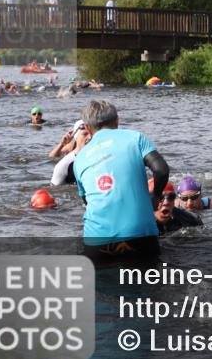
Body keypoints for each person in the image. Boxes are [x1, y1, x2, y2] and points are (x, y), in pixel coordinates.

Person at [72, 100, 170, 260]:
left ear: (88, 128)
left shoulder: (79, 158)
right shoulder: (135, 138)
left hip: (97, 241)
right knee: (148, 282)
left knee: (101, 284)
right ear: (117, 120)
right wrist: (155, 195)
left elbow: (87, 201)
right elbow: (161, 170)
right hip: (140, 236)